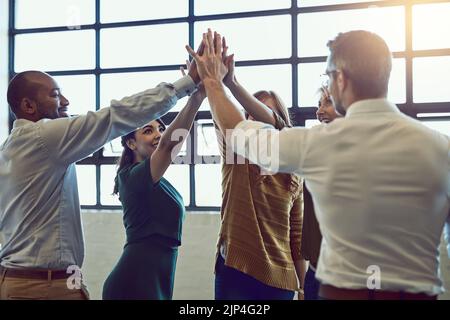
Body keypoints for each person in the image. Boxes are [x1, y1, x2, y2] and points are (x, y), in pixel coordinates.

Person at [189, 29, 450, 300]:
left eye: (328, 76)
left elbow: (238, 130)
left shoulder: (317, 144)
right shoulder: (441, 148)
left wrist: (212, 80)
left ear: (341, 79)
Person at [0, 59, 199, 299]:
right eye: (55, 95)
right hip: (45, 286)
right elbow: (115, 116)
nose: (65, 102)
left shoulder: (11, 149)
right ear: (28, 106)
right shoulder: (43, 137)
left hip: (39, 280)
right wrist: (189, 83)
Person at [190, 32, 306, 300]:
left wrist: (301, 288)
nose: (254, 121)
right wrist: (213, 78)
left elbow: (297, 238)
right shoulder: (236, 154)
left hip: (280, 280)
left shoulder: (293, 170)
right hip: (235, 272)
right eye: (249, 114)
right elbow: (226, 117)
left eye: (262, 112)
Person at [102, 63, 205, 300]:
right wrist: (195, 96)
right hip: (133, 282)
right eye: (148, 131)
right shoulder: (131, 178)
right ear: (130, 143)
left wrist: (198, 96)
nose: (158, 134)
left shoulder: (156, 180)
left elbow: (169, 144)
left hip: (158, 278)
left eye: (161, 128)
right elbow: (170, 144)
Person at [302, 86, 341, 300]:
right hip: (315, 272)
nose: (319, 111)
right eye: (318, 105)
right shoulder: (313, 148)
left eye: (328, 103)